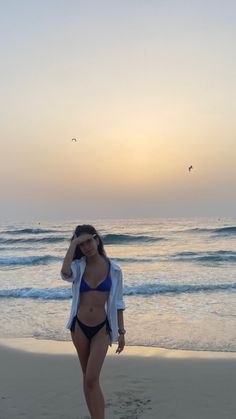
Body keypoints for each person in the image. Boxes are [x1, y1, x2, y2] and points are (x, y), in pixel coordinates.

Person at [60, 224, 126, 419]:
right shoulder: (77, 267)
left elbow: (119, 303)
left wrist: (121, 332)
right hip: (79, 327)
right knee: (88, 381)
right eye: (82, 244)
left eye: (89, 240)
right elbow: (64, 273)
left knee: (91, 378)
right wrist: (73, 245)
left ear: (97, 240)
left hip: (101, 330)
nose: (87, 246)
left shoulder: (114, 269)